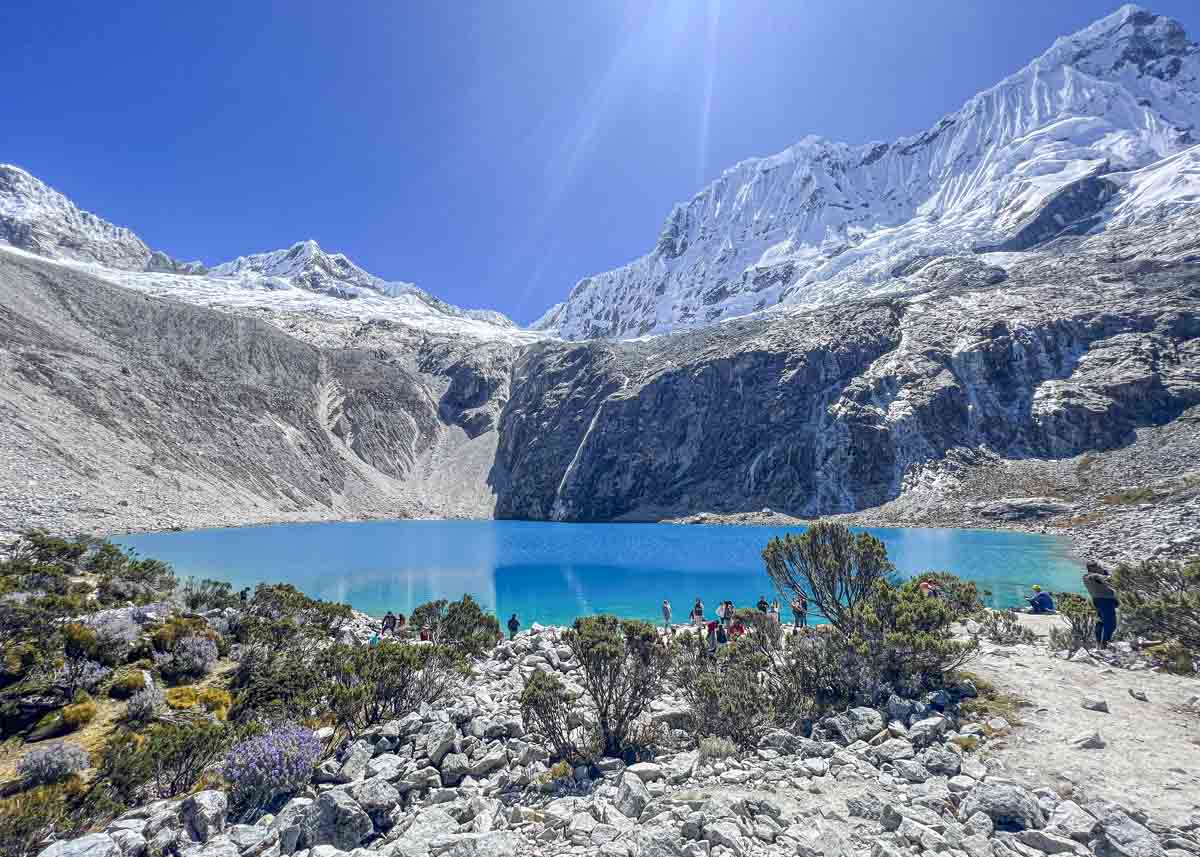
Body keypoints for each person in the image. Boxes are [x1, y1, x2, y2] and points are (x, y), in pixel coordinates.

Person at [1082, 562, 1119, 647]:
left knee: (1100, 622)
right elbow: (1109, 580)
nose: (1101, 568)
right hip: (1106, 601)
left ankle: (1099, 642)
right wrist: (1107, 574)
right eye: (1099, 567)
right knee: (1110, 624)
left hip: (1097, 601)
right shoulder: (1094, 576)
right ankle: (1105, 644)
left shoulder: (1086, 577)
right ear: (1093, 568)